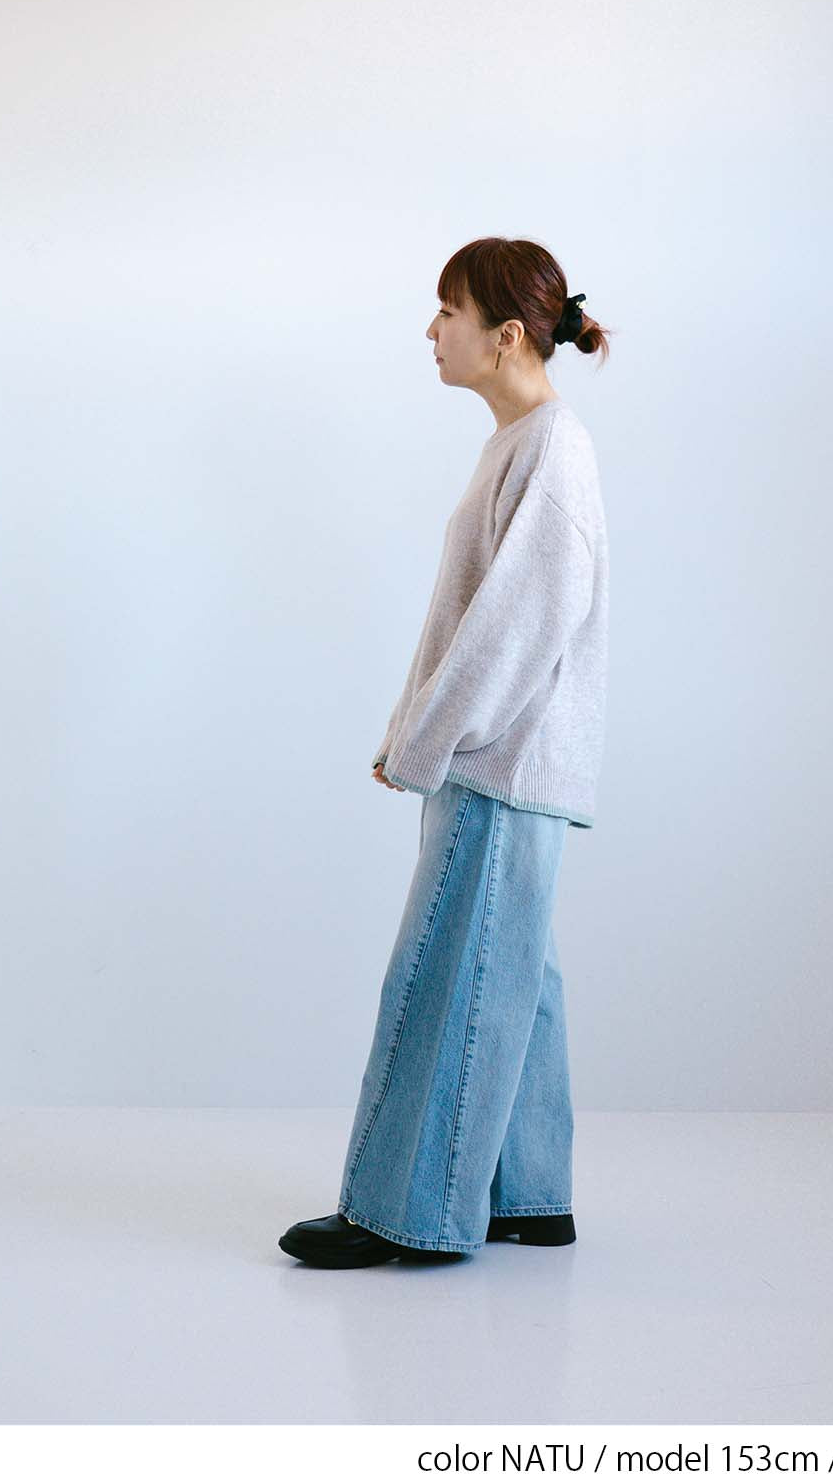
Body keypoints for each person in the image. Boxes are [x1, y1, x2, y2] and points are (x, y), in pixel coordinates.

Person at [279, 236, 612, 1269]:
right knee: (511, 975)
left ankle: (408, 1212)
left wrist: (426, 743)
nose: (430, 330)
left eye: (447, 312)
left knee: (443, 977)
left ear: (506, 334)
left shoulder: (551, 451)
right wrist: (413, 732)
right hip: (509, 760)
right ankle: (527, 1194)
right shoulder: (522, 444)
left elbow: (513, 632)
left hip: (499, 766)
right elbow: (479, 624)